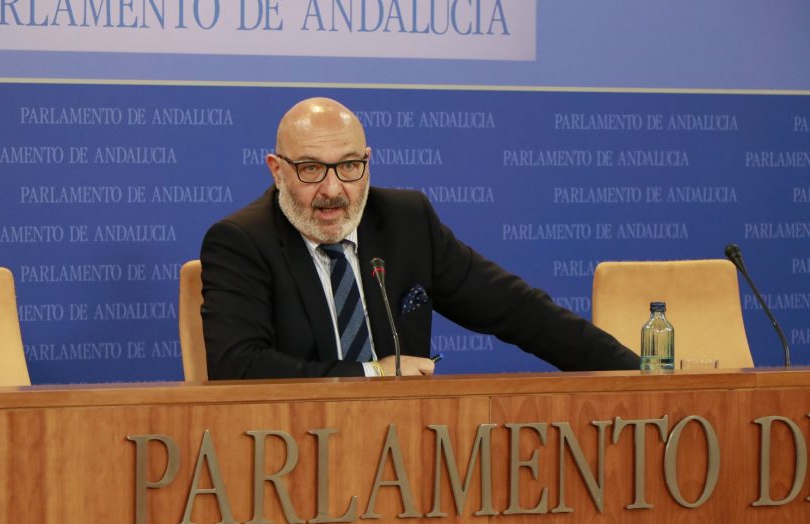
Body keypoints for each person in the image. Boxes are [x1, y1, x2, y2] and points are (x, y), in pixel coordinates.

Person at [200, 97, 640, 379]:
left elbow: (514, 309)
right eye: (311, 169)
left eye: (350, 166)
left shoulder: (405, 221)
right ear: (277, 170)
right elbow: (238, 366)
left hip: (405, 450)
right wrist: (373, 373)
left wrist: (637, 373)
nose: (333, 190)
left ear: (368, 162)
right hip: (291, 448)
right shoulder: (241, 242)